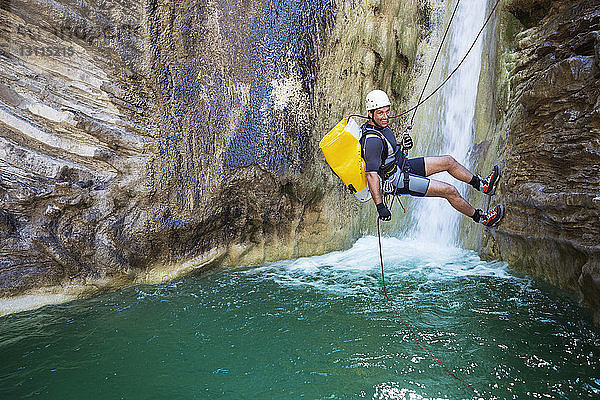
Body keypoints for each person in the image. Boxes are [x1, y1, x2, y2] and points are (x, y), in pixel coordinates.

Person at [361, 89, 504, 226]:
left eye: (387, 111)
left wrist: (401, 145)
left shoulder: (380, 127)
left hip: (402, 166)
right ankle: (483, 218)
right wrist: (380, 206)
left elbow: (385, 152)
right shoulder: (372, 140)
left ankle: (483, 185)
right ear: (370, 113)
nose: (385, 116)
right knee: (450, 191)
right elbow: (371, 174)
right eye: (380, 113)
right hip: (397, 180)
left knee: (449, 161)